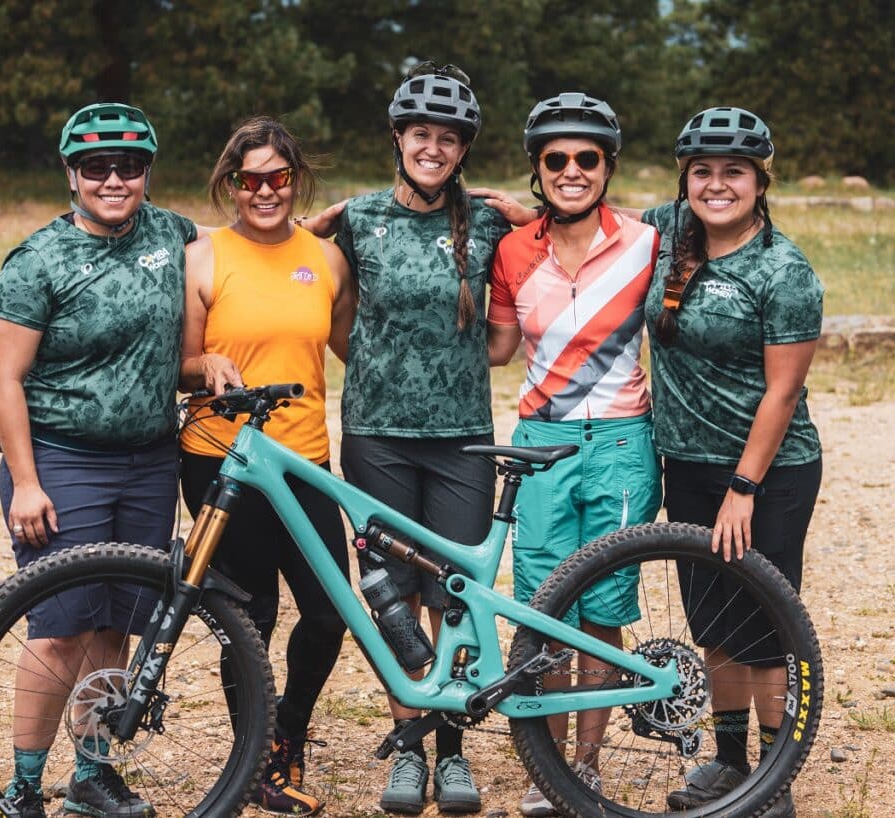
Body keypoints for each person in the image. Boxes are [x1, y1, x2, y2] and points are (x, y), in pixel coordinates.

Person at [0, 103, 196, 818]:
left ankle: (93, 773)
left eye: (129, 166)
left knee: (114, 626)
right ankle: (21, 785)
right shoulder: (37, 260)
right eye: (97, 167)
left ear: (148, 171)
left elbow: (256, 241)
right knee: (58, 628)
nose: (114, 179)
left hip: (148, 460)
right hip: (62, 461)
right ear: (72, 173)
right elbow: (3, 378)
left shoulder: (174, 233)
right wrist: (24, 481)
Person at [332, 62, 510, 815]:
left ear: (462, 149)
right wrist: (380, 371)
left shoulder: (492, 222)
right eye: (419, 134)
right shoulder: (358, 218)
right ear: (397, 138)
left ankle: (453, 749)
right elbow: (336, 316)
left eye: (447, 139)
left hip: (463, 438)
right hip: (377, 437)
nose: (431, 148)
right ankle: (407, 747)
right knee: (391, 595)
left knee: (455, 595)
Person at [485, 93, 662, 818]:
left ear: (608, 167)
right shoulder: (512, 250)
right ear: (537, 168)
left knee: (601, 608)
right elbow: (496, 347)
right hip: (541, 446)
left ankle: (585, 766)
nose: (571, 170)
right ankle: (546, 765)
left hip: (622, 441)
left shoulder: (647, 241)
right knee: (539, 605)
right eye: (555, 158)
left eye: (586, 158)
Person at [642, 107, 822, 818]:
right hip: (686, 463)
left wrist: (744, 487)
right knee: (712, 617)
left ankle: (775, 777)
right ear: (685, 178)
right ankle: (729, 761)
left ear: (760, 180)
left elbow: (783, 391)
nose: (718, 185)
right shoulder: (666, 231)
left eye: (734, 172)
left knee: (764, 622)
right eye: (703, 172)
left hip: (767, 474)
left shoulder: (784, 269)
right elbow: (589, 213)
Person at [177, 116, 355, 817]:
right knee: (250, 616)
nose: (264, 191)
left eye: (278, 178)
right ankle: (252, 754)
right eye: (249, 180)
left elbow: (352, 351)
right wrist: (205, 365)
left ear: (296, 179)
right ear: (230, 183)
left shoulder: (327, 259)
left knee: (328, 613)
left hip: (305, 459)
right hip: (222, 462)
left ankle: (288, 732)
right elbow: (184, 367)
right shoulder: (204, 256)